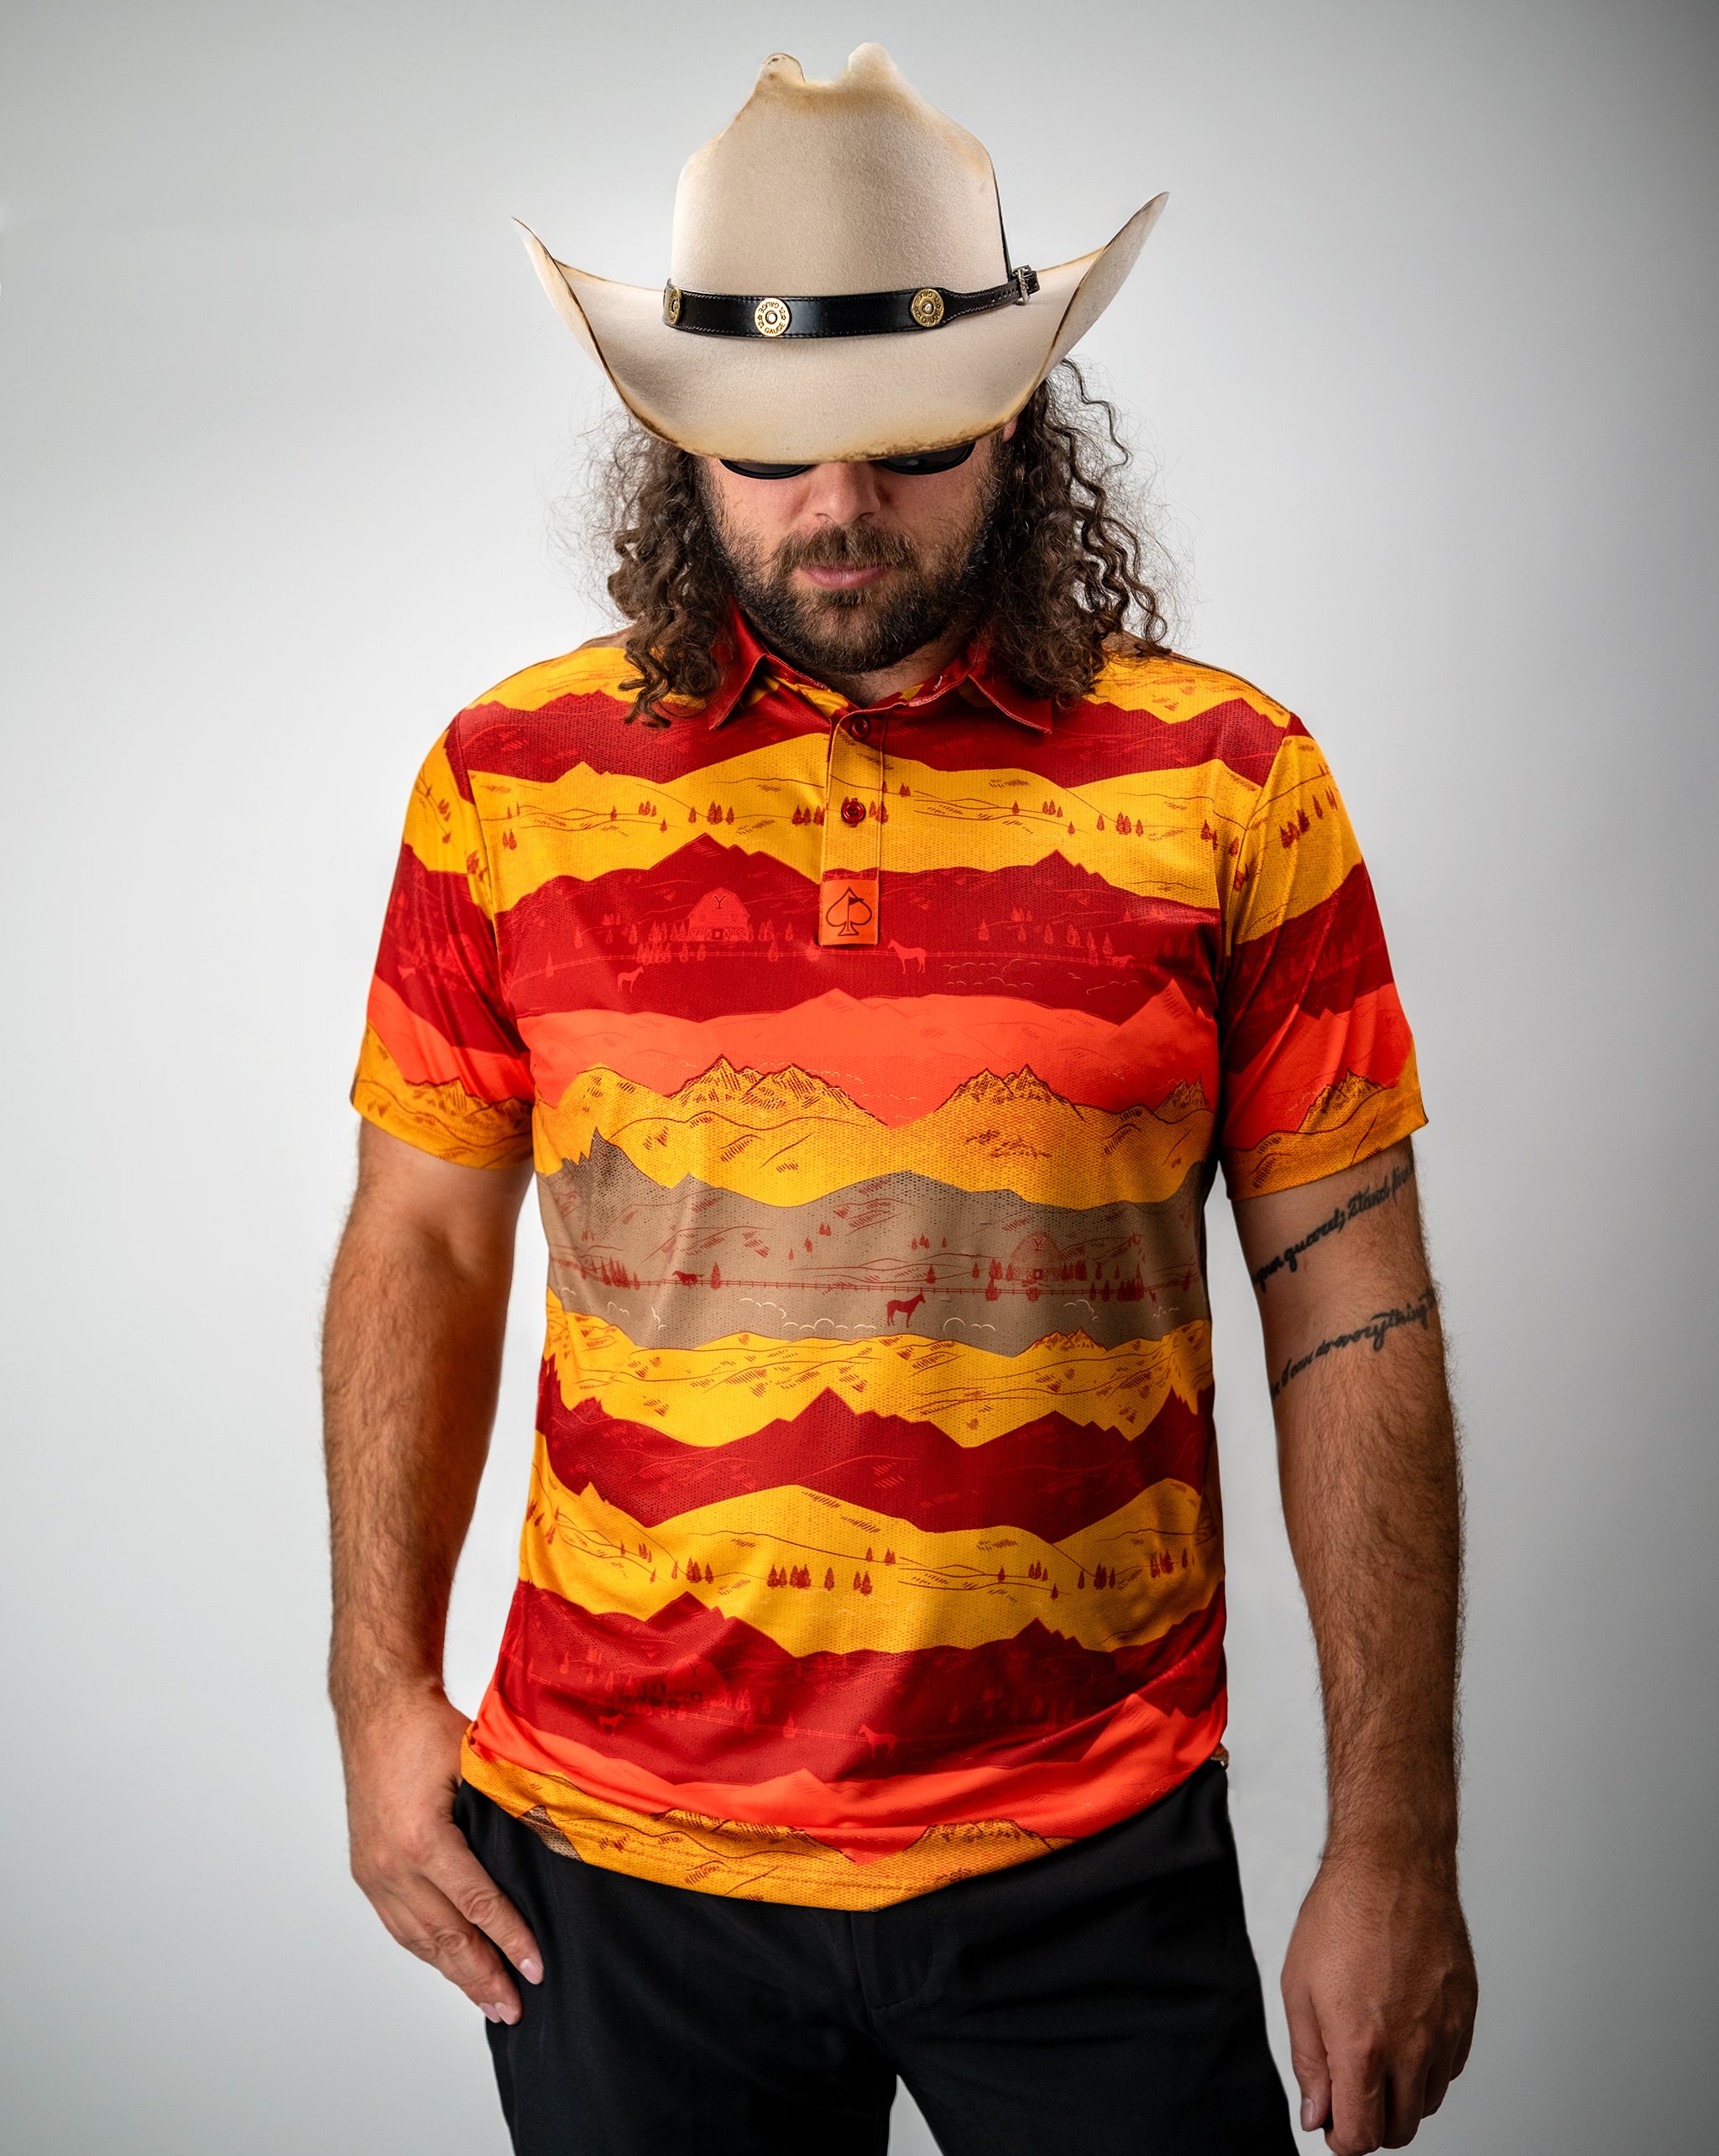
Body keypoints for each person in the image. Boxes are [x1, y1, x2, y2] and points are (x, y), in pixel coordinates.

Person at [322, 44, 1477, 2156]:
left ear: (1019, 426)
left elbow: (1353, 1312)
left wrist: (1393, 1845)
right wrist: (374, 1701)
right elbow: (418, 1234)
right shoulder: (510, 783)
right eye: (767, 451)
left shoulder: (1231, 784)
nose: (835, 506)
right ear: (674, 446)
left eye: (907, 443)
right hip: (616, 1858)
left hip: (1089, 1848)